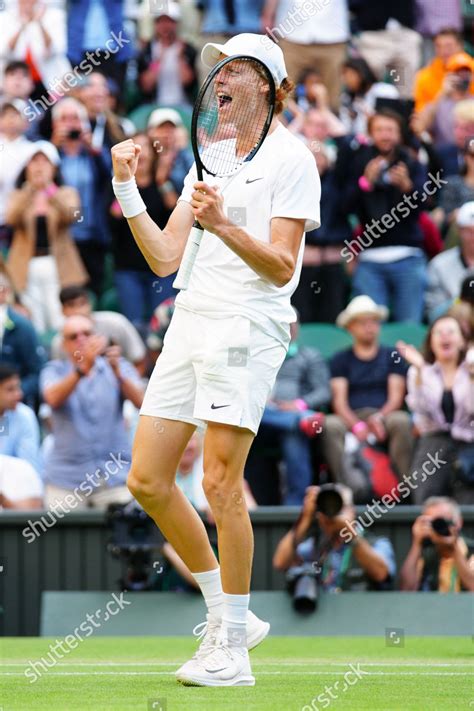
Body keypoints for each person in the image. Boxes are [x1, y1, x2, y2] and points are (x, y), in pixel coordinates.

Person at [111, 33, 320, 686]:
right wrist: (125, 188)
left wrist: (225, 224)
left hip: (245, 326)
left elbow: (284, 264)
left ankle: (232, 646)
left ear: (270, 86)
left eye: (237, 69)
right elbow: (167, 256)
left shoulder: (294, 159)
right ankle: (225, 614)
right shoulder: (213, 154)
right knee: (146, 478)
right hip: (190, 319)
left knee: (221, 484)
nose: (221, 78)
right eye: (218, 68)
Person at [40, 314, 144, 509]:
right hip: (67, 481)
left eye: (86, 333)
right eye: (73, 336)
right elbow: (52, 398)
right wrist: (82, 368)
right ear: (64, 344)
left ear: (98, 337)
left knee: (125, 536)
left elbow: (142, 402)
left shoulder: (118, 366)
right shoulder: (53, 370)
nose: (81, 339)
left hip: (114, 475)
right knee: (62, 539)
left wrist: (118, 374)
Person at [338, 109, 427, 322]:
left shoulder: (413, 164)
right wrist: (365, 183)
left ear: (399, 134)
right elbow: (344, 208)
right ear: (370, 133)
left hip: (408, 255)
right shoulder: (359, 163)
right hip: (370, 258)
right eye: (379, 130)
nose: (385, 135)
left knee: (409, 324)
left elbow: (424, 209)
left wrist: (407, 187)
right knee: (370, 325)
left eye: (390, 130)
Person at [321, 296, 413, 489]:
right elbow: (339, 402)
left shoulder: (391, 356)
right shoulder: (340, 359)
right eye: (363, 322)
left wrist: (379, 418)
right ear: (350, 327)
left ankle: (405, 489)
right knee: (330, 425)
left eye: (374, 321)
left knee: (401, 420)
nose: (369, 327)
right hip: (351, 417)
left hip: (385, 415)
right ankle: (346, 490)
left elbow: (396, 396)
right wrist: (357, 426)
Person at [6, 141, 88, 333]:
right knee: (35, 320)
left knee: (59, 316)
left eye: (45, 162)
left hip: (57, 263)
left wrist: (50, 191)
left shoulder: (66, 193)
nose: (39, 167)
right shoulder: (19, 194)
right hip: (27, 265)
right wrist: (30, 191)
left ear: (54, 167)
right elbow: (11, 218)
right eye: (35, 162)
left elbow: (73, 216)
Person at [401, 316, 474, 505]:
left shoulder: (471, 369)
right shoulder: (420, 370)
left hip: (470, 440)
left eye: (451, 332)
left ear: (462, 340)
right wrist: (418, 371)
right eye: (439, 332)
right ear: (431, 341)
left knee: (468, 496)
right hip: (434, 440)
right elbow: (419, 408)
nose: (445, 337)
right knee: (424, 491)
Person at [259, 316, 329, 505]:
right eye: (282, 325)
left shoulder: (310, 356)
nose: (287, 329)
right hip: (259, 417)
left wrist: (299, 405)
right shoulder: (257, 353)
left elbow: (323, 391)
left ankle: (296, 505)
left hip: (290, 418)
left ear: (297, 328)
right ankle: (298, 419)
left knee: (294, 433)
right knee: (254, 411)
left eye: (290, 325)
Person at [273, 484, 395, 590]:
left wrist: (350, 533)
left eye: (338, 507)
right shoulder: (314, 546)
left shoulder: (376, 543)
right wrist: (305, 518)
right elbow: (280, 562)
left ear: (351, 511)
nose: (332, 512)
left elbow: (381, 573)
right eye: (326, 507)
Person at [109, 132, 175, 328]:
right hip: (128, 268)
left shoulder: (162, 184)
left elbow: (175, 209)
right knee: (134, 324)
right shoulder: (120, 184)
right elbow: (114, 216)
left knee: (162, 324)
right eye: (135, 147)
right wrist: (125, 180)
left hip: (160, 268)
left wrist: (163, 180)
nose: (141, 153)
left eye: (145, 147)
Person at [50, 97, 111, 295]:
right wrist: (53, 147)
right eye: (64, 119)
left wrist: (94, 149)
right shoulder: (50, 154)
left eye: (75, 118)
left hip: (93, 235)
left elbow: (112, 177)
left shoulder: (93, 154)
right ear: (55, 124)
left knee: (94, 291)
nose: (70, 124)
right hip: (63, 236)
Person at [261, 0, 350, 110]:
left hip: (333, 36)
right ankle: (279, 126)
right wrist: (268, 15)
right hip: (291, 35)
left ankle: (334, 124)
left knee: (334, 98)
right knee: (281, 96)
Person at [50, 286, 147, 373]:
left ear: (90, 304)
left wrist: (129, 385)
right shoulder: (59, 342)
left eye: (82, 303)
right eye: (71, 305)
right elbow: (58, 379)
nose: (78, 310)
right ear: (62, 310)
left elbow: (139, 361)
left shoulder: (116, 323)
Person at [400, 496, 474, 591]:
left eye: (442, 521)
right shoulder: (424, 554)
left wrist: (454, 549)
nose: (437, 527)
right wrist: (417, 543)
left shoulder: (471, 551)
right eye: (433, 523)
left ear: (458, 523)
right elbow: (406, 590)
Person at [137, 2, 198, 110]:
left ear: (176, 23)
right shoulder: (147, 51)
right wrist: (158, 60)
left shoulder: (187, 49)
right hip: (153, 106)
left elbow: (187, 81)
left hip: (183, 106)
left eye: (169, 21)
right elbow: (146, 86)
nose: (165, 26)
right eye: (160, 21)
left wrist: (180, 58)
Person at [0, 261, 44, 407]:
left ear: (5, 292)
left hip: (16, 406)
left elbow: (37, 373)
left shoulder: (22, 327)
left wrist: (13, 393)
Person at [425, 202, 474, 322]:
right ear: (459, 231)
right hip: (455, 329)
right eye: (469, 231)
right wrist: (462, 300)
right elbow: (433, 315)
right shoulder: (439, 264)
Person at [417, 53, 474, 145]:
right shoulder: (439, 102)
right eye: (458, 72)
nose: (463, 77)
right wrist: (442, 93)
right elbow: (420, 127)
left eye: (466, 72)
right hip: (443, 154)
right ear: (449, 75)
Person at [414, 29, 472, 113]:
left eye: (449, 46)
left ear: (461, 46)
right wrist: (442, 94)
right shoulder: (424, 76)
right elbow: (419, 116)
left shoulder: (471, 68)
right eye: (438, 46)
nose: (443, 51)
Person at [339, 56, 399, 136]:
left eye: (349, 75)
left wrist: (371, 117)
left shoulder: (385, 90)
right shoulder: (346, 98)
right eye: (344, 76)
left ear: (361, 73)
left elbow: (396, 119)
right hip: (358, 142)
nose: (346, 80)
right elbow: (345, 130)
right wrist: (351, 118)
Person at [0, 363, 42, 474]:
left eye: (18, 387)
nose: (19, 394)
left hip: (15, 486)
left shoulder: (24, 415)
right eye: (10, 390)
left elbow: (29, 466)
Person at [146, 108, 193, 194]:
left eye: (172, 128)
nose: (167, 132)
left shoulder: (186, 156)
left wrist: (163, 182)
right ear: (151, 132)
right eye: (162, 128)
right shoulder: (144, 155)